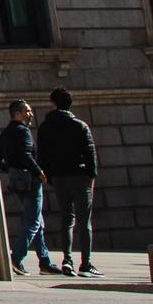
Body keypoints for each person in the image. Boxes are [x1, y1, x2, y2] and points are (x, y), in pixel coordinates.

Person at [0, 99, 60, 275]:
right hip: (30, 181)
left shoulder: (6, 133)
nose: (31, 114)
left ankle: (44, 261)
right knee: (34, 221)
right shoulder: (24, 132)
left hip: (17, 181)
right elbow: (25, 155)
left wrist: (11, 170)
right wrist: (39, 171)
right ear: (17, 114)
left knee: (37, 220)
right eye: (27, 111)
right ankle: (16, 258)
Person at [38, 88, 100, 277]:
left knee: (67, 218)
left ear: (53, 103)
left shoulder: (45, 127)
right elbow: (90, 153)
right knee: (84, 221)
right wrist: (91, 175)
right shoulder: (80, 126)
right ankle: (86, 263)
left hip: (59, 177)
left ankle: (67, 259)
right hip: (80, 176)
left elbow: (42, 155)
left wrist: (50, 175)